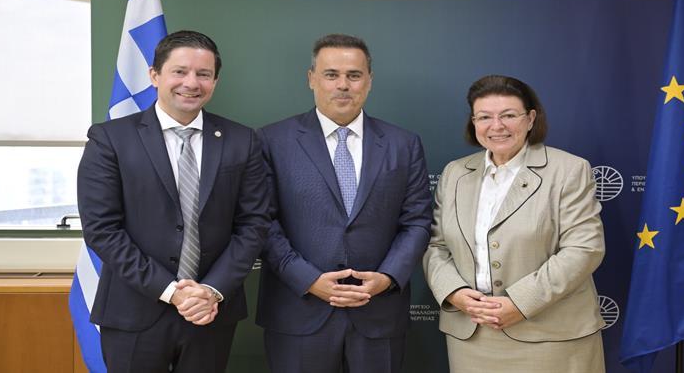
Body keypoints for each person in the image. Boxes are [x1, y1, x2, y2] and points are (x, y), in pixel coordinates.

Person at [77, 30, 270, 371]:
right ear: (154, 75)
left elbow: (253, 225)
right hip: (134, 310)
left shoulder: (243, 141)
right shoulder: (110, 139)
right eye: (180, 71)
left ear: (215, 81)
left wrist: (211, 290)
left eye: (203, 74)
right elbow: (102, 230)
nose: (191, 83)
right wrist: (172, 291)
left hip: (210, 311)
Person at [256, 33, 433, 373]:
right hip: (298, 312)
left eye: (354, 75)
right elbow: (262, 222)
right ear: (311, 78)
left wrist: (387, 277)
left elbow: (417, 221)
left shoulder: (403, 144)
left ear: (369, 80)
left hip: (378, 313)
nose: (343, 85)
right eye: (331, 74)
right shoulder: (271, 140)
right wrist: (308, 280)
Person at [423, 75, 606, 372]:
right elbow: (437, 246)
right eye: (484, 117)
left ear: (530, 119)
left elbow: (584, 249)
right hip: (472, 333)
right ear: (473, 122)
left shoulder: (569, 170)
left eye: (508, 115)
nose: (496, 126)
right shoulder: (454, 173)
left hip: (550, 335)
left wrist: (520, 302)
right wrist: (454, 293)